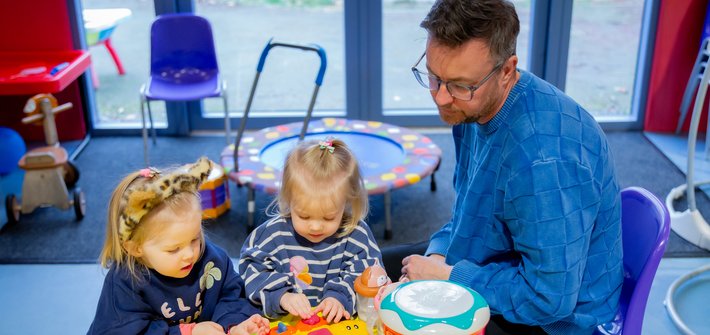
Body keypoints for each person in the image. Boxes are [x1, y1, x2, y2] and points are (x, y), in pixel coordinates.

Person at [394, 0, 624, 334]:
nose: (442, 97)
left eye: (459, 84)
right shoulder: (471, 106)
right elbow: (465, 214)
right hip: (499, 266)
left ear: (506, 70)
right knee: (369, 268)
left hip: (556, 322)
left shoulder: (543, 161)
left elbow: (549, 299)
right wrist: (439, 255)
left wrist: (450, 277)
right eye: (433, 76)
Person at [88, 157, 270, 335]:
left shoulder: (211, 259)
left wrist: (234, 326)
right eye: (173, 249)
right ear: (135, 248)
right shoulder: (125, 283)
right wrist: (187, 331)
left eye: (195, 238)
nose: (189, 254)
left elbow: (231, 296)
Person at [239, 138, 383, 324]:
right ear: (288, 199)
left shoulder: (355, 235)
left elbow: (368, 276)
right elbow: (251, 272)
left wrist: (339, 297)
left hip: (336, 325)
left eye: (329, 217)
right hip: (286, 324)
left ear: (347, 202)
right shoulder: (272, 235)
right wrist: (282, 296)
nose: (315, 226)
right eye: (304, 216)